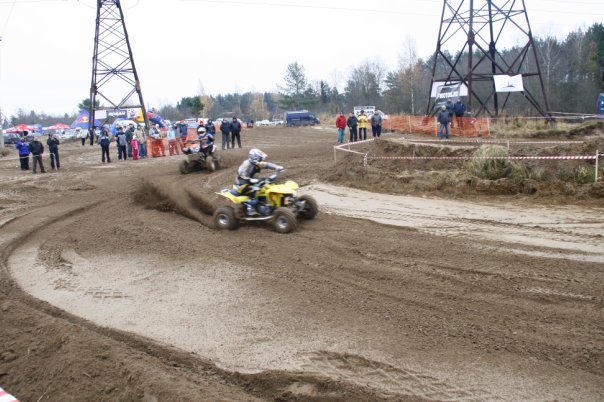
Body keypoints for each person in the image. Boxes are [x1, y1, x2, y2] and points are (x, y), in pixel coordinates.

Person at [234, 148, 283, 215]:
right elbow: (241, 175)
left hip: (252, 182)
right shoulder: (246, 164)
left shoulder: (257, 164)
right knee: (256, 189)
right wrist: (250, 179)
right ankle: (251, 208)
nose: (262, 161)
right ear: (254, 158)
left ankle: (268, 203)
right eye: (260, 159)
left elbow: (267, 165)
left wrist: (277, 167)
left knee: (268, 184)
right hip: (241, 184)